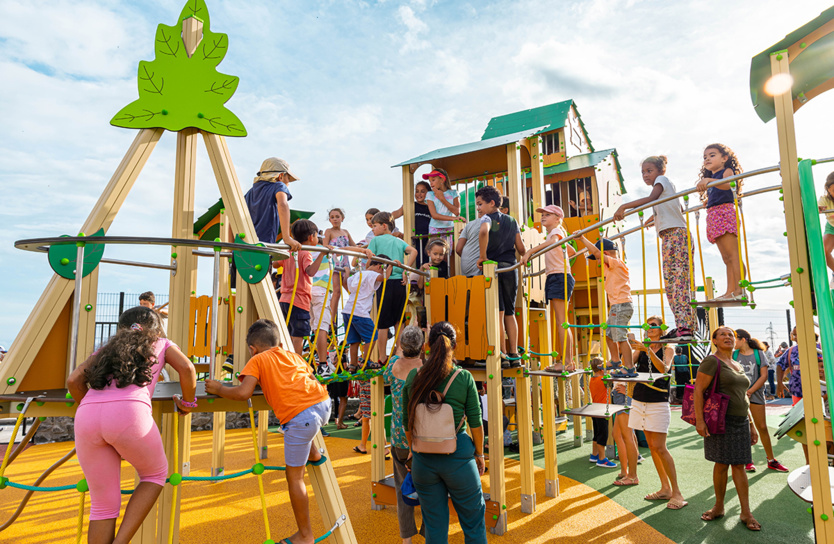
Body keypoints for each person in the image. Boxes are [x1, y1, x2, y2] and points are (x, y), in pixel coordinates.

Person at [67, 306, 197, 544]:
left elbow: (74, 380)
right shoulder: (161, 343)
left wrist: (91, 407)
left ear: (121, 329)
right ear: (157, 330)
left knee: (103, 504)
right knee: (154, 475)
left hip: (87, 417)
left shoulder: (106, 350)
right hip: (129, 413)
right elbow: (187, 368)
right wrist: (188, 403)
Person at [206, 319, 331, 544]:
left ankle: (305, 535)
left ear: (252, 349)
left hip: (301, 418)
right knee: (305, 425)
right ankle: (314, 453)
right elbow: (310, 378)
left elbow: (243, 393)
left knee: (294, 477)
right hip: (323, 404)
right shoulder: (293, 356)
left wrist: (220, 388)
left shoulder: (258, 360)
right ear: (279, 344)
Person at [403, 322, 487, 544]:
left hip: (423, 461)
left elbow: (406, 423)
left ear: (427, 346)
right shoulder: (463, 377)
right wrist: (479, 454)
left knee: (434, 526)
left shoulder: (414, 376)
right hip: (458, 457)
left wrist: (413, 450)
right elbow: (475, 422)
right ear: (454, 346)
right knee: (473, 522)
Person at [614, 156, 696, 340]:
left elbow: (652, 198)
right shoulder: (665, 190)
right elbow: (678, 208)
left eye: (649, 171)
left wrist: (624, 206)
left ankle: (686, 327)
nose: (645, 175)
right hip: (669, 236)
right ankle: (682, 326)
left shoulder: (662, 181)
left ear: (661, 170)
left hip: (676, 235)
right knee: (671, 283)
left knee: (679, 282)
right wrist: (656, 217)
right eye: (643, 172)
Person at [695, 327, 761, 531]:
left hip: (741, 421)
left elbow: (743, 397)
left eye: (731, 334)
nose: (727, 337)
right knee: (722, 464)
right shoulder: (711, 361)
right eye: (722, 334)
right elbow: (698, 391)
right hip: (720, 421)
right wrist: (700, 421)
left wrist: (751, 425)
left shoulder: (737, 364)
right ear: (714, 340)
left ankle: (746, 512)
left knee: (739, 465)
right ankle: (718, 507)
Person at [627, 316, 687, 510]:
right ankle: (665, 488)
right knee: (652, 447)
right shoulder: (641, 347)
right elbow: (627, 366)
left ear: (662, 329)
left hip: (658, 400)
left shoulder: (667, 348)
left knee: (660, 447)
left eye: (654, 325)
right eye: (647, 325)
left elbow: (664, 368)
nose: (650, 328)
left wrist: (647, 350)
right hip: (639, 399)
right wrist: (626, 345)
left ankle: (677, 493)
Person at [382, 326, 426, 544]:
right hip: (422, 438)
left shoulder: (393, 365)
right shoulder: (425, 368)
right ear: (422, 347)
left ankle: (406, 539)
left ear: (401, 345)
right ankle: (429, 533)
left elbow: (385, 375)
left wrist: (399, 351)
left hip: (399, 438)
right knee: (429, 488)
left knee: (402, 488)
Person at [341, 258, 388, 454]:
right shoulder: (371, 273)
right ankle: (367, 361)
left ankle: (353, 364)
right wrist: (390, 267)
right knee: (373, 334)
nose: (381, 271)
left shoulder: (357, 275)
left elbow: (346, 283)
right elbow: (383, 279)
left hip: (347, 310)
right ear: (377, 265)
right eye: (381, 267)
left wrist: (346, 272)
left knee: (353, 341)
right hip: (360, 311)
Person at [475, 185, 526, 366]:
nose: (478, 208)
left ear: (491, 203)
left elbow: (483, 231)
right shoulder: (512, 221)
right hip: (510, 268)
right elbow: (521, 248)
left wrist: (482, 256)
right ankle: (514, 354)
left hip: (494, 269)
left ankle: (503, 354)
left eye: (480, 204)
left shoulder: (487, 218)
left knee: (498, 312)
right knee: (510, 313)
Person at [522, 205, 576, 372]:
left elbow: (552, 243)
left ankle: (566, 362)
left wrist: (529, 252)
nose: (543, 217)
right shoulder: (556, 234)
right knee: (562, 322)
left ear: (558, 219)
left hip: (559, 276)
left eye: (548, 214)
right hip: (557, 275)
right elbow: (572, 251)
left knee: (562, 322)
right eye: (542, 214)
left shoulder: (556, 232)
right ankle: (568, 361)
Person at [356, 212, 418, 358]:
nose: (372, 229)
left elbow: (369, 262)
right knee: (399, 322)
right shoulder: (398, 241)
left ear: (384, 226)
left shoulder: (376, 240)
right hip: (400, 283)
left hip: (385, 283)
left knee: (383, 323)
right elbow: (413, 251)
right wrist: (406, 270)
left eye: (374, 226)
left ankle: (382, 357)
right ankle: (399, 353)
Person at [734, 329, 789, 473]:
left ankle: (771, 460)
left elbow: (763, 376)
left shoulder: (759, 354)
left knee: (762, 427)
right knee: (743, 428)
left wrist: (750, 391)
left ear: (743, 339)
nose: (732, 342)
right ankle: (747, 460)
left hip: (755, 394)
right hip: (738, 395)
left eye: (735, 339)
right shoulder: (733, 355)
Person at [695, 144, 745, 301]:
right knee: (726, 258)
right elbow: (719, 192)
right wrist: (709, 201)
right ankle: (730, 291)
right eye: (705, 157)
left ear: (724, 158)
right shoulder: (713, 178)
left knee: (733, 255)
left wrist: (709, 180)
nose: (707, 159)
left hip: (725, 213)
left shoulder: (726, 171)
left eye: (712, 155)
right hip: (714, 215)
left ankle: (740, 289)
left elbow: (728, 185)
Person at [579, 236, 634, 372]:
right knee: (608, 334)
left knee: (621, 337)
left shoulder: (615, 263)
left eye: (598, 258)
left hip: (621, 305)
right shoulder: (612, 266)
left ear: (605, 254)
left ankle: (630, 367)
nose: (598, 262)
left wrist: (582, 238)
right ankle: (615, 360)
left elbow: (597, 252)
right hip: (617, 306)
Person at [279, 220, 327, 354]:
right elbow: (310, 271)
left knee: (288, 334)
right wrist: (322, 254)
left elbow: (277, 263)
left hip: (284, 299)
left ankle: (286, 360)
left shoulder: (289, 252)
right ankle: (296, 362)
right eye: (316, 236)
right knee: (298, 336)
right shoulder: (305, 253)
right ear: (311, 237)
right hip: (299, 300)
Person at [244, 157, 301, 252]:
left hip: (243, 247)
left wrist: (230, 248)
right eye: (288, 178)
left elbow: (233, 214)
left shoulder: (250, 193)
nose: (288, 183)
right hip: (264, 245)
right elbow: (283, 204)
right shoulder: (279, 185)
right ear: (281, 176)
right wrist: (286, 238)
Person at [323, 208, 356, 331]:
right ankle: (331, 320)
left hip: (345, 264)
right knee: (337, 291)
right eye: (332, 217)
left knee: (351, 290)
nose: (335, 219)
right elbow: (324, 246)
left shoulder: (345, 231)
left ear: (342, 218)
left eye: (337, 216)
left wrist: (366, 246)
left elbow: (354, 246)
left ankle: (355, 313)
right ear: (329, 220)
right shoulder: (329, 231)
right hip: (335, 263)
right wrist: (329, 247)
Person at [776, 327, 823, 404]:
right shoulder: (792, 351)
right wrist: (779, 382)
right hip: (798, 392)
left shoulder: (821, 348)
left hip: (821, 391)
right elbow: (780, 365)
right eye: (794, 335)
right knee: (800, 411)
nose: (795, 338)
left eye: (796, 335)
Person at [393, 181, 433, 268]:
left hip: (427, 240)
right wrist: (385, 217)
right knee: (416, 261)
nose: (419, 194)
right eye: (417, 191)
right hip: (413, 239)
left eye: (422, 191)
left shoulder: (431, 207)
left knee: (426, 261)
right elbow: (397, 213)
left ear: (429, 193)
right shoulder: (411, 205)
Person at [588, 357, 617, 468]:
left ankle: (594, 454)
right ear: (601, 368)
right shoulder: (604, 379)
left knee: (597, 432)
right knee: (603, 434)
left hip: (595, 408)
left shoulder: (592, 379)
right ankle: (602, 459)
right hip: (602, 410)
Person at [424, 168, 462, 248]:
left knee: (447, 252)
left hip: (448, 228)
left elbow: (457, 212)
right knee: (434, 251)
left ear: (442, 180)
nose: (431, 183)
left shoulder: (454, 193)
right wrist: (453, 219)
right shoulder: (430, 194)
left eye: (433, 180)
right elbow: (434, 215)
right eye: (430, 181)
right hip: (434, 228)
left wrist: (442, 198)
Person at [455, 206, 484, 277]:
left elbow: (458, 249)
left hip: (465, 271)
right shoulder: (490, 222)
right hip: (480, 270)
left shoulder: (469, 225)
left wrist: (470, 258)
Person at [819, 172, 834, 279]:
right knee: (823, 250)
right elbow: (819, 205)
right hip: (832, 227)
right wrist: (818, 208)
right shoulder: (825, 199)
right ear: (828, 189)